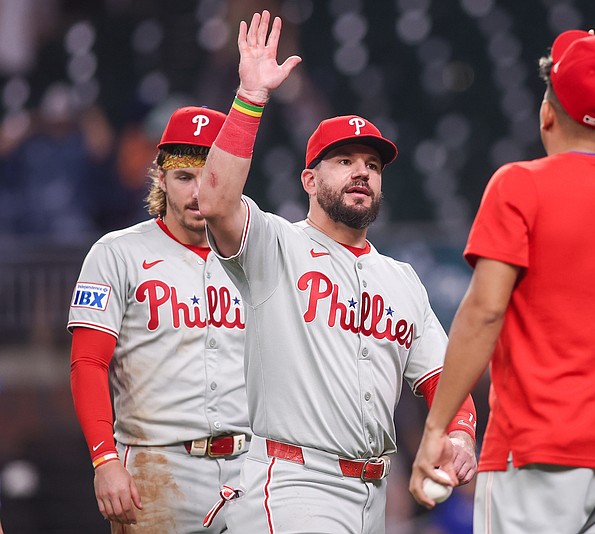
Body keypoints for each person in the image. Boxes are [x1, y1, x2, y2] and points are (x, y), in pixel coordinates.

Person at [196, 11, 478, 533]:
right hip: (293, 481)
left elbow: (444, 379)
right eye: (343, 160)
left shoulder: (402, 280)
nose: (361, 172)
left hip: (373, 493)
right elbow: (213, 201)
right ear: (309, 178)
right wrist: (250, 97)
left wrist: (458, 434)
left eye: (371, 164)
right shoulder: (275, 244)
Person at [409, 24, 595, 533]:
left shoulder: (519, 185)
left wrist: (437, 427)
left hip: (539, 451)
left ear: (547, 110)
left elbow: (485, 311)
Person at [67, 105, 250, 531]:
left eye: (211, 177)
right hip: (157, 466)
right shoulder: (116, 252)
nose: (197, 192)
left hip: (252, 468)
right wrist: (104, 460)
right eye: (185, 176)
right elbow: (87, 362)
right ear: (161, 177)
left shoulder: (260, 255)